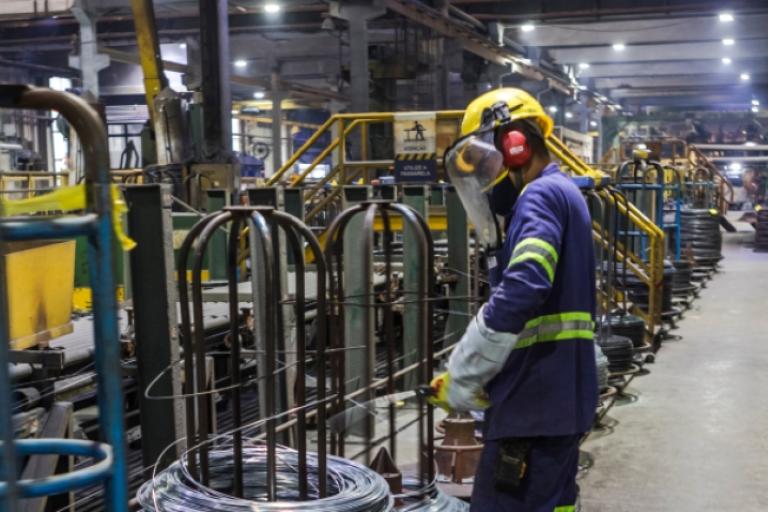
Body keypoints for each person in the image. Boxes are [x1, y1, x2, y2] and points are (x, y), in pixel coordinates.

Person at [430, 88, 598, 511]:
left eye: (484, 160)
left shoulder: (538, 196)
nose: (486, 176)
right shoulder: (567, 193)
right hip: (560, 402)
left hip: (533, 408)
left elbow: (526, 284)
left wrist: (468, 369)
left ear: (514, 143)